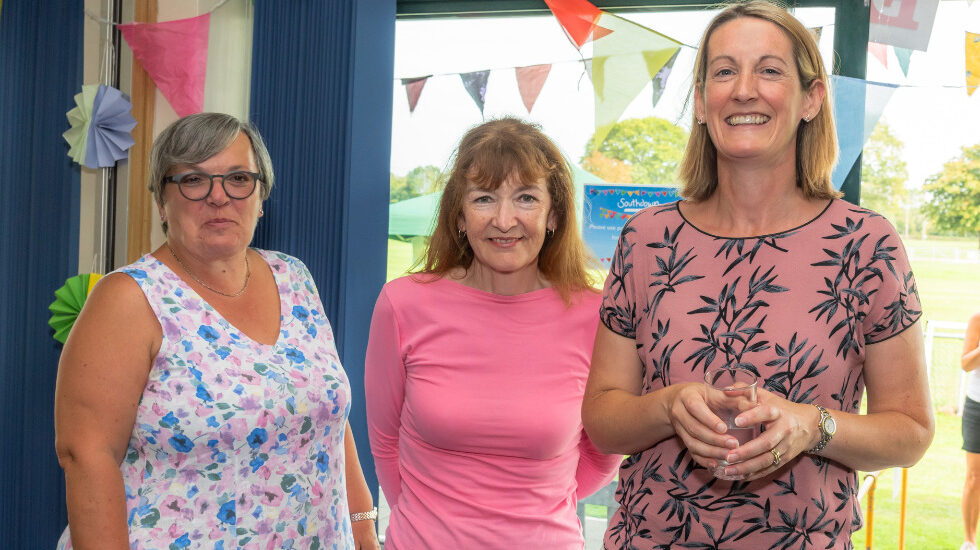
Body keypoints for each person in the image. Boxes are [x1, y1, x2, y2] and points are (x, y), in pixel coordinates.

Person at [581, 2, 935, 548]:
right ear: (700, 102)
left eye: (769, 70)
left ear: (811, 98)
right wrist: (668, 405)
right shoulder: (646, 240)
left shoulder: (866, 245)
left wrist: (814, 425)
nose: (744, 89)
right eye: (724, 71)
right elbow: (602, 421)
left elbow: (910, 433)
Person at [54, 113, 380, 550]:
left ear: (261, 194)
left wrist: (364, 533)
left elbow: (330, 423)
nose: (219, 197)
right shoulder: (128, 300)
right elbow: (86, 457)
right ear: (160, 201)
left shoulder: (294, 277)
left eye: (238, 178)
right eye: (193, 180)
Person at [365, 117, 621, 548]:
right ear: (460, 217)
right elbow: (385, 444)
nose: (505, 220)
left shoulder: (594, 316)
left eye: (526, 198)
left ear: (553, 214)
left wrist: (534, 509)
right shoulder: (403, 304)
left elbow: (604, 452)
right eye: (484, 198)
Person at [961, 312, 980, 550]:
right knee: (975, 477)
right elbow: (965, 364)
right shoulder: (977, 319)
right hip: (977, 405)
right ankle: (969, 541)